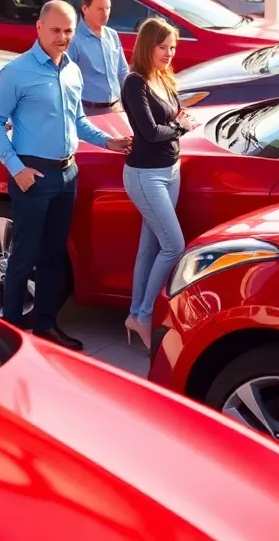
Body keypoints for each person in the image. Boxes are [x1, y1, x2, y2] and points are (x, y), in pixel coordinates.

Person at [0, 0, 132, 350]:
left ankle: (46, 327)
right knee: (24, 256)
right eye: (55, 30)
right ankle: (11, 334)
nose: (62, 37)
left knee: (54, 256)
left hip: (68, 175)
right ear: (38, 27)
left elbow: (78, 122)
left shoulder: (72, 71)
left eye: (68, 31)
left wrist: (109, 142)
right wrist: (16, 169)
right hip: (32, 176)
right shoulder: (17, 72)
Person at [120, 17, 195, 351]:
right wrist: (180, 129)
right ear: (147, 46)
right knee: (174, 246)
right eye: (163, 47)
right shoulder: (135, 83)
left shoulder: (164, 77)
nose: (169, 53)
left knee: (149, 248)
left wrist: (176, 126)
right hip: (145, 174)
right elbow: (150, 132)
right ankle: (145, 315)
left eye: (172, 47)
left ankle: (135, 314)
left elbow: (172, 119)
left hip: (171, 169)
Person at [67, 0, 128, 113]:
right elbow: (66, 81)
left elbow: (122, 72)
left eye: (108, 8)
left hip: (116, 108)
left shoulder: (112, 35)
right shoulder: (74, 40)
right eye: (100, 9)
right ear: (85, 8)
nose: (105, 13)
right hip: (89, 111)